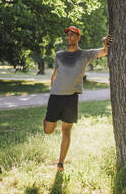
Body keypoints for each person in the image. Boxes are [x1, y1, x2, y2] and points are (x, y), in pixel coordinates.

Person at [43, 26, 112, 171]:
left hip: (71, 98)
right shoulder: (59, 55)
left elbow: (104, 52)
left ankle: (60, 163)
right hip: (56, 97)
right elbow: (55, 73)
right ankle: (49, 119)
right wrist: (53, 88)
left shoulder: (85, 54)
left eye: (73, 35)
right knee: (48, 130)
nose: (69, 38)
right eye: (68, 35)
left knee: (66, 130)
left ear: (78, 37)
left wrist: (105, 42)